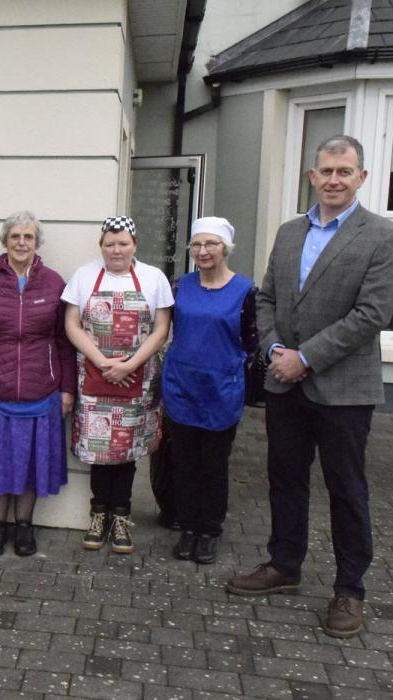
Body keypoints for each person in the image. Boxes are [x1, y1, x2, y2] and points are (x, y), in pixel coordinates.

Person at [225, 135, 393, 639]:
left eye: (344, 172)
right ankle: (284, 565)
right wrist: (274, 350)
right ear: (312, 176)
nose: (333, 180)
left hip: (344, 389)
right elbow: (266, 299)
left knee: (346, 489)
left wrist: (304, 358)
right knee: (285, 479)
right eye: (326, 171)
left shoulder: (385, 237)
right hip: (284, 383)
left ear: (361, 177)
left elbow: (371, 315)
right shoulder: (289, 232)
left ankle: (350, 589)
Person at [0, 211, 75, 557]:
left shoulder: (54, 283)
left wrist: (67, 388)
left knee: (30, 464)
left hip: (42, 392)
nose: (22, 243)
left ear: (37, 243)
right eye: (15, 236)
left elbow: (64, 340)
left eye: (28, 237)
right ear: (4, 241)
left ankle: (24, 526)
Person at [62, 216, 173, 555]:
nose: (116, 250)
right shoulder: (84, 276)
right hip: (95, 374)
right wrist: (103, 363)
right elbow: (72, 325)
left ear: (134, 245)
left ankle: (121, 517)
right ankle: (98, 515)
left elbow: (161, 329)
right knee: (99, 451)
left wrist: (129, 364)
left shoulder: (154, 278)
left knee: (126, 451)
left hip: (137, 377)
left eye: (123, 243)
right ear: (101, 246)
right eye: (109, 244)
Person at [161, 216, 257, 565]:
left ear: (225, 248)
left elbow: (252, 342)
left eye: (211, 244)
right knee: (184, 463)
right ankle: (188, 526)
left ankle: (209, 530)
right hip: (181, 386)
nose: (203, 251)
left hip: (221, 390)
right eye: (197, 245)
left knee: (213, 465)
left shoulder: (246, 291)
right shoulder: (179, 287)